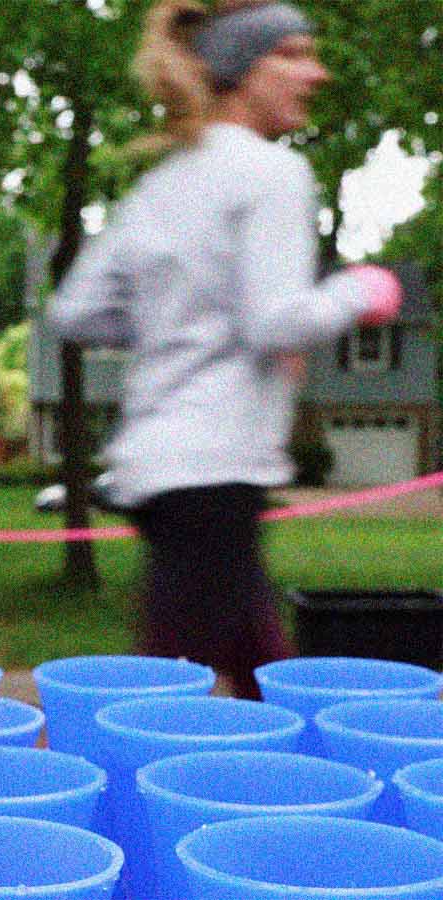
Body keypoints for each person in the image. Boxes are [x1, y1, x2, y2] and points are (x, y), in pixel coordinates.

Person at [49, 0, 404, 699]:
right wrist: (358, 293)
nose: (317, 73)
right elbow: (276, 323)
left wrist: (179, 325)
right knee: (162, 697)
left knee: (259, 670)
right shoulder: (271, 172)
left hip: (162, 466)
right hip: (213, 463)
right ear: (244, 70)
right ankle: (91, 801)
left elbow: (76, 311)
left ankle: (289, 795)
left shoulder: (165, 180)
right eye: (295, 54)